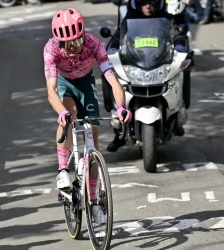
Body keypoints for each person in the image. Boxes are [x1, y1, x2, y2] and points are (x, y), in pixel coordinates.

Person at [43, 8, 132, 223]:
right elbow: (51, 91)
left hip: (85, 82)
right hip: (63, 84)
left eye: (76, 41)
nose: (72, 48)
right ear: (59, 42)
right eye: (67, 43)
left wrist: (120, 106)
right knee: (70, 113)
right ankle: (63, 170)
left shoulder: (93, 44)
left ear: (83, 35)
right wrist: (61, 112)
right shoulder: (51, 49)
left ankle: (92, 201)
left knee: (92, 135)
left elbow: (113, 81)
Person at [106, 0, 191, 152]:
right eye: (143, 2)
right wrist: (112, 49)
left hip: (159, 63)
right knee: (108, 71)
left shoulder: (166, 18)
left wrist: (180, 45)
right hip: (136, 64)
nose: (147, 6)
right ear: (136, 3)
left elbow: (177, 33)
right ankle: (118, 133)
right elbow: (117, 38)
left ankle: (177, 113)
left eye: (152, 2)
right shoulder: (130, 18)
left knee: (185, 68)